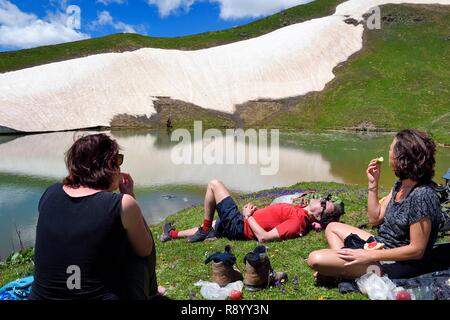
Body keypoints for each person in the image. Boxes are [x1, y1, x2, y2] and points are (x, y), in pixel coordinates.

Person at [30, 133, 164, 300]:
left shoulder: (50, 192)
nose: (120, 167)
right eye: (118, 160)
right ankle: (151, 294)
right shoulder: (122, 203)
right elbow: (145, 250)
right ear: (108, 165)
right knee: (138, 253)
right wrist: (130, 196)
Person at [307, 129, 442, 281]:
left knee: (315, 258)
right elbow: (375, 218)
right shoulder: (401, 185)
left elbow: (417, 250)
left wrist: (369, 255)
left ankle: (345, 270)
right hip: (383, 245)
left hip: (401, 263)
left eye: (391, 149)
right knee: (332, 227)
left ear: (402, 157)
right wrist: (373, 183)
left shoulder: (422, 195)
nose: (389, 152)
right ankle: (348, 268)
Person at [159, 179, 344, 243]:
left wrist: (248, 216)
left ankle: (206, 230)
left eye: (324, 203)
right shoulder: (301, 211)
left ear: (318, 213)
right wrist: (256, 212)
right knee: (216, 224)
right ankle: (172, 234)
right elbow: (272, 218)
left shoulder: (297, 222)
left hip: (241, 226)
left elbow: (264, 237)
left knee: (214, 184)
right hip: (243, 221)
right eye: (326, 199)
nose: (322, 199)